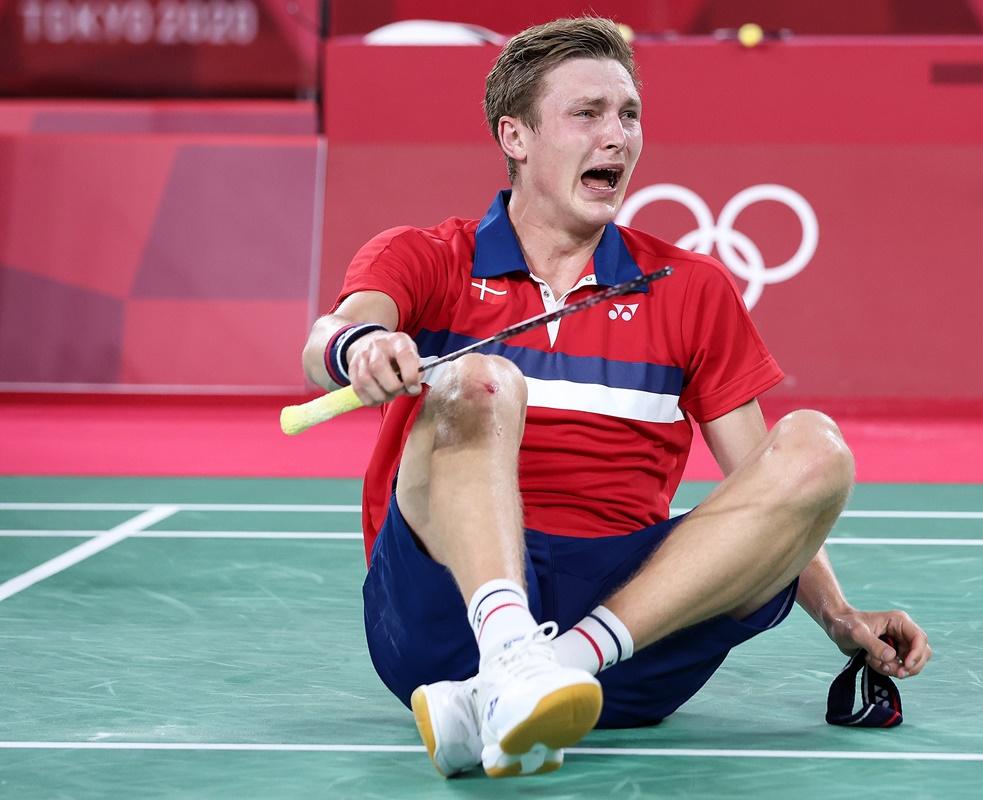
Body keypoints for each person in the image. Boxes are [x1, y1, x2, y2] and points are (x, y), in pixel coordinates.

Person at [301, 17, 931, 779]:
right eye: (588, 114)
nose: (619, 137)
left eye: (629, 114)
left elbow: (772, 489)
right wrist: (361, 348)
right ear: (516, 136)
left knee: (814, 448)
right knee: (481, 379)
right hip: (442, 618)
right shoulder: (431, 258)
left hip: (632, 626)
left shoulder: (688, 287)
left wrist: (839, 615)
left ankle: (535, 679)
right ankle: (508, 652)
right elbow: (331, 334)